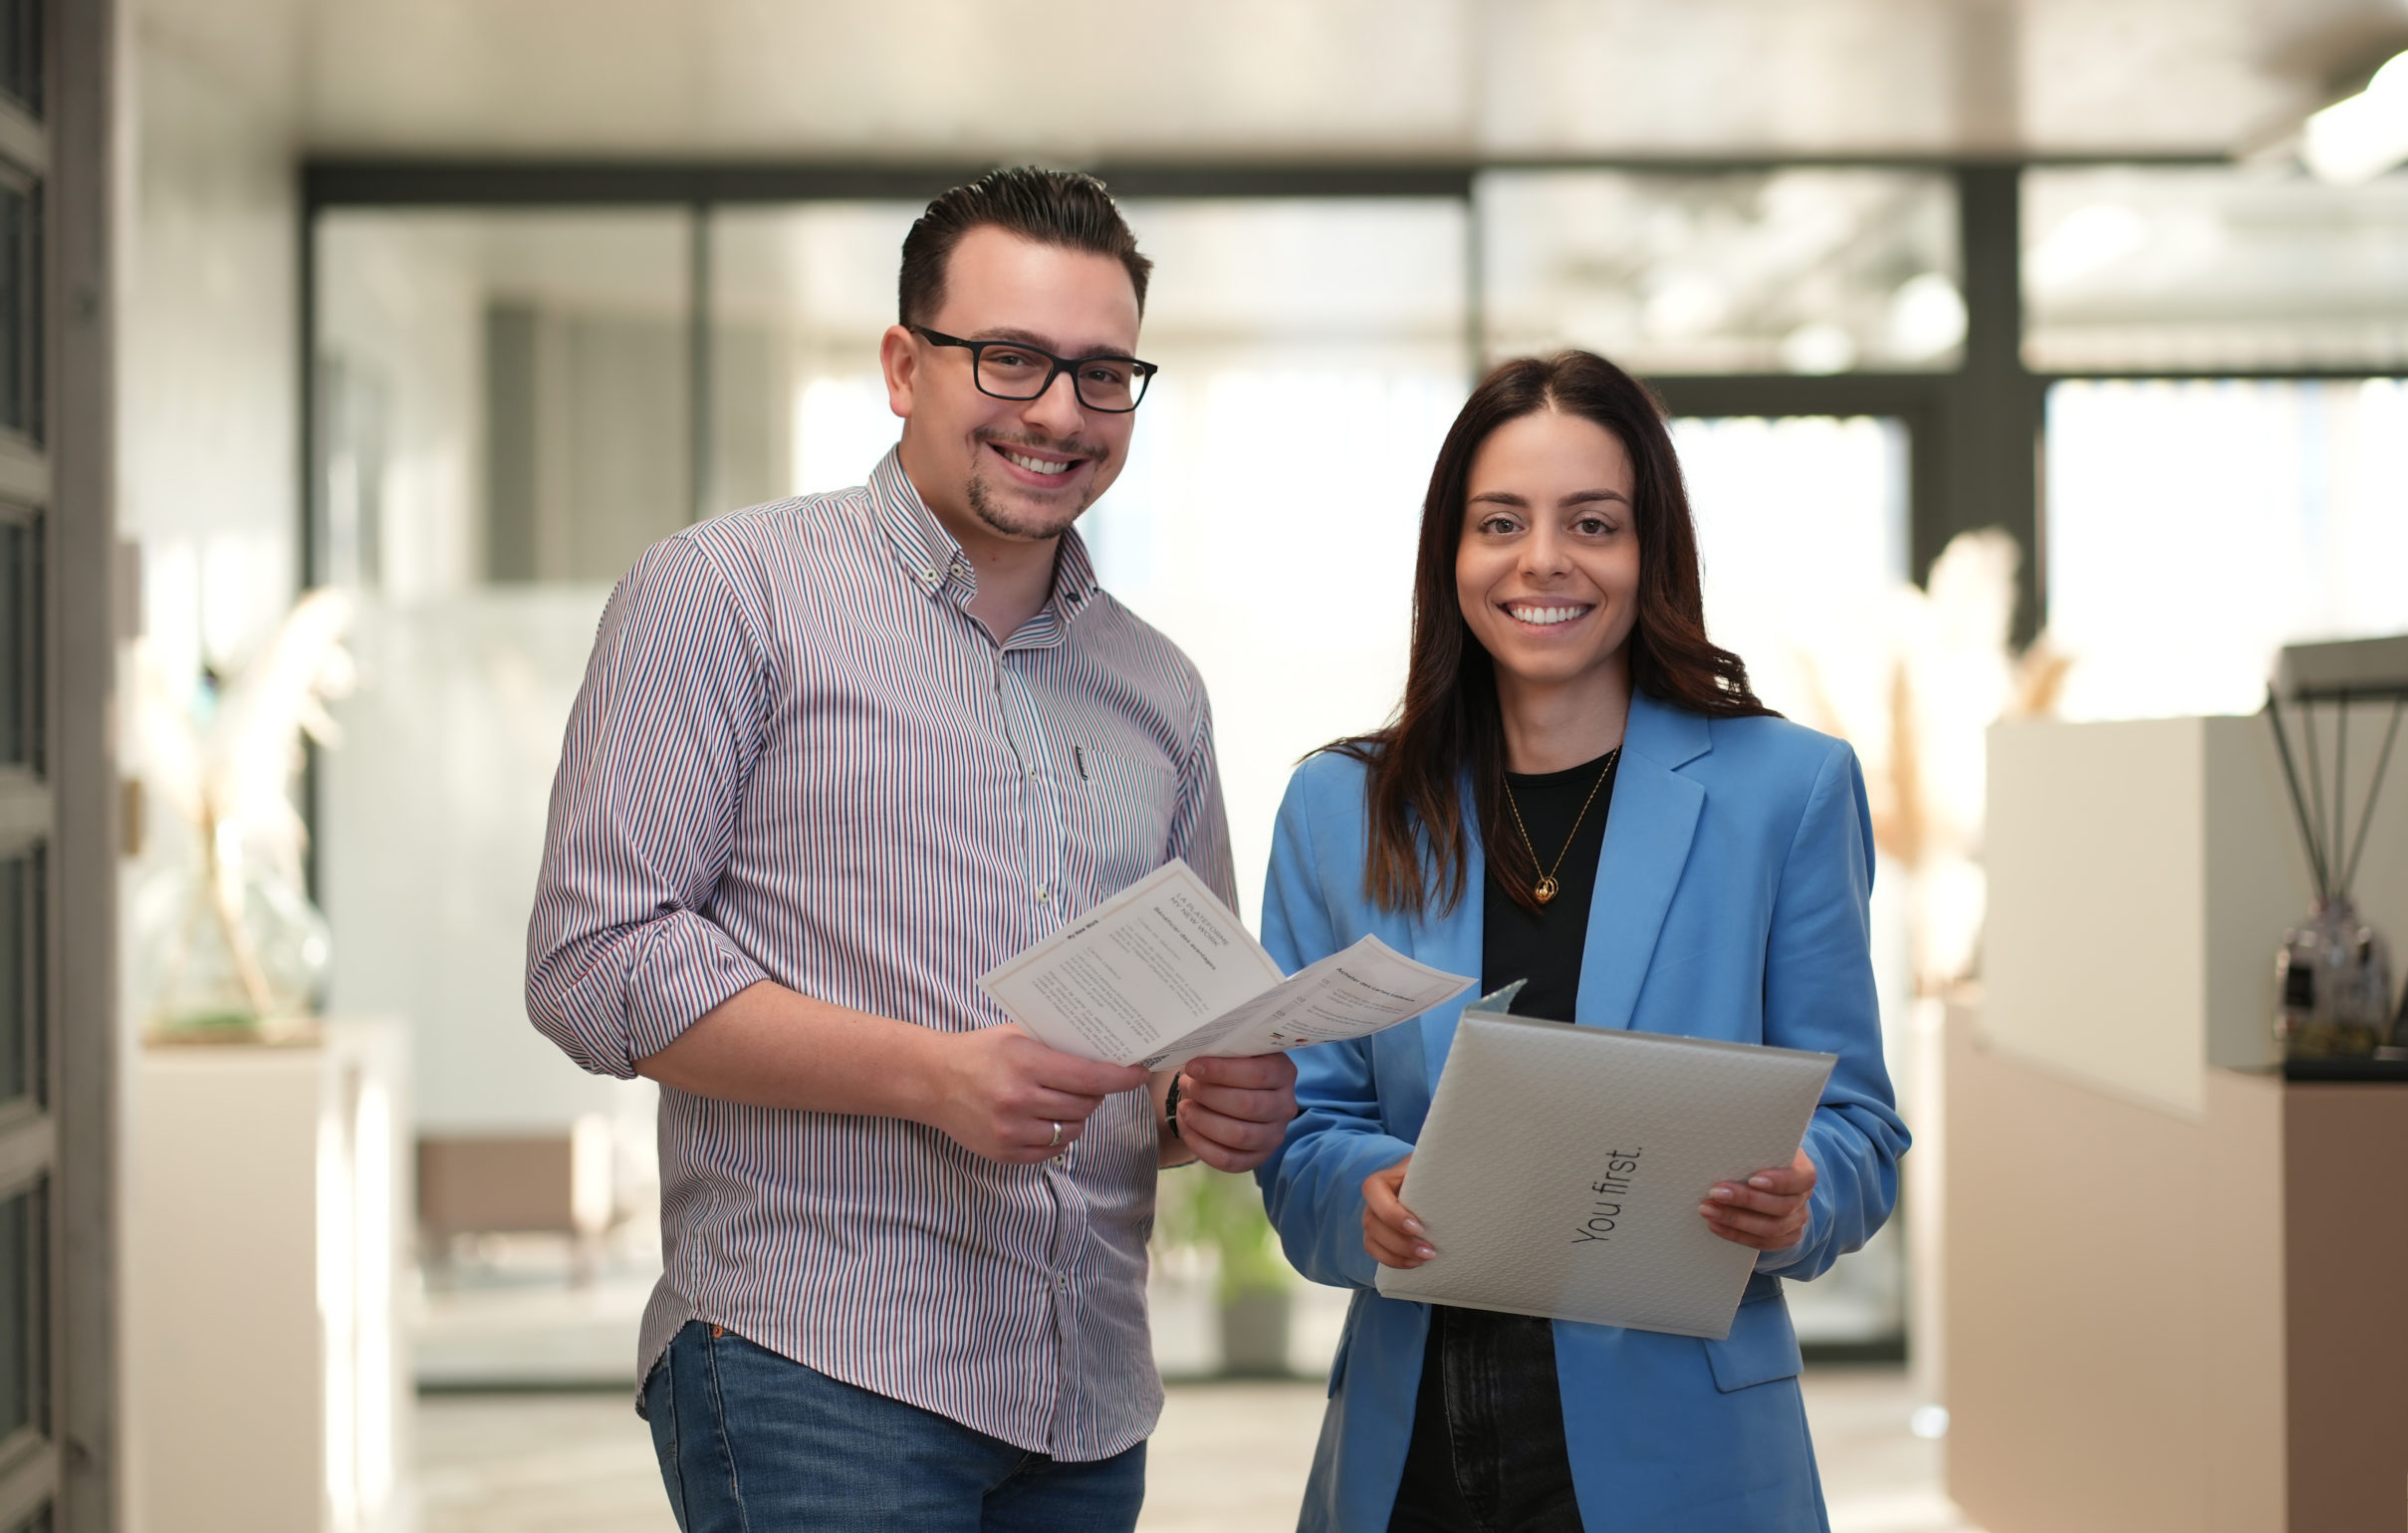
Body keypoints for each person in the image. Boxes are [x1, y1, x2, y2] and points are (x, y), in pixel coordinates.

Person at [526, 166, 1300, 1533]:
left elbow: (1166, 1031)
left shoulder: (1159, 691)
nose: (1059, 410)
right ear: (903, 363)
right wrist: (936, 1076)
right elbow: (596, 963)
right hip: (817, 1365)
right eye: (1011, 358)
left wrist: (1191, 1109)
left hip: (1085, 1396)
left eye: (1103, 373)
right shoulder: (726, 594)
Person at [1253, 352, 1909, 1532]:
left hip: (1688, 1442)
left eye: (1591, 523)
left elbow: (1860, 1127)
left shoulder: (1786, 791)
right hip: (1417, 1439)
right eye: (1499, 521)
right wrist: (1364, 1192)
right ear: (1449, 553)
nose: (1541, 559)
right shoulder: (1338, 807)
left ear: (1647, 549)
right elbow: (1300, 1133)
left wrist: (1804, 1195)